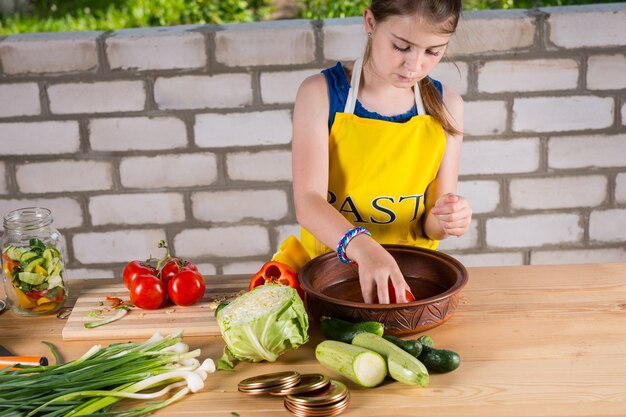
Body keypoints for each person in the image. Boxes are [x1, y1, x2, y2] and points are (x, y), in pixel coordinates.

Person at [291, 0, 472, 305]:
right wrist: (364, 248)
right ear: (371, 23)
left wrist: (450, 217)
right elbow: (308, 203)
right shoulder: (320, 93)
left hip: (409, 285)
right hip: (330, 278)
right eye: (402, 47)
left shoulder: (447, 105)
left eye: (433, 51)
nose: (414, 65)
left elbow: (432, 222)